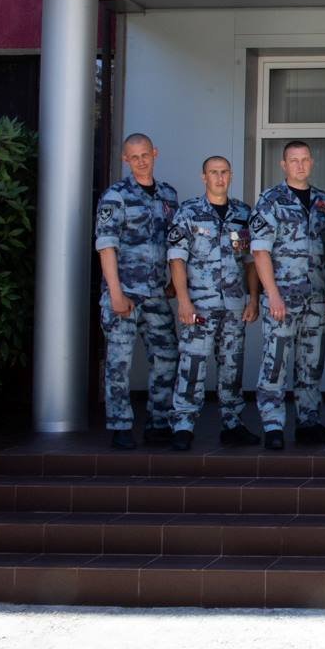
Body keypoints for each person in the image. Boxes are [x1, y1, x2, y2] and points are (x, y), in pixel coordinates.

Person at [165, 155, 260, 451]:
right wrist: (183, 301)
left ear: (231, 175)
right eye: (213, 173)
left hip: (233, 305)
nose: (219, 178)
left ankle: (232, 423)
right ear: (203, 176)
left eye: (224, 172)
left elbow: (250, 262)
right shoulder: (189, 213)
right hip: (199, 305)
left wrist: (253, 298)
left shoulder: (243, 214)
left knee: (232, 365)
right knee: (193, 364)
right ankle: (183, 424)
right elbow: (176, 259)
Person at [94, 133, 179, 451]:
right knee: (119, 361)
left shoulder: (168, 195)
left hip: (157, 293)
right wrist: (115, 293)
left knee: (168, 356)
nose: (141, 160)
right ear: (125, 160)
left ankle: (159, 422)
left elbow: (175, 243)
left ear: (155, 153)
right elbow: (106, 246)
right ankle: (120, 425)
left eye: (146, 154)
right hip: (125, 292)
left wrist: (173, 281)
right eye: (135, 156)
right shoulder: (115, 196)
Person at [250, 140, 325, 451]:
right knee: (276, 363)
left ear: (311, 162)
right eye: (293, 161)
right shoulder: (270, 201)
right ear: (283, 165)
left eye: (304, 160)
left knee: (311, 363)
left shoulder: (324, 203)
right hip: (282, 299)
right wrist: (271, 295)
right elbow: (260, 253)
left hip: (315, 297)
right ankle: (273, 425)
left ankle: (308, 422)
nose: (299, 165)